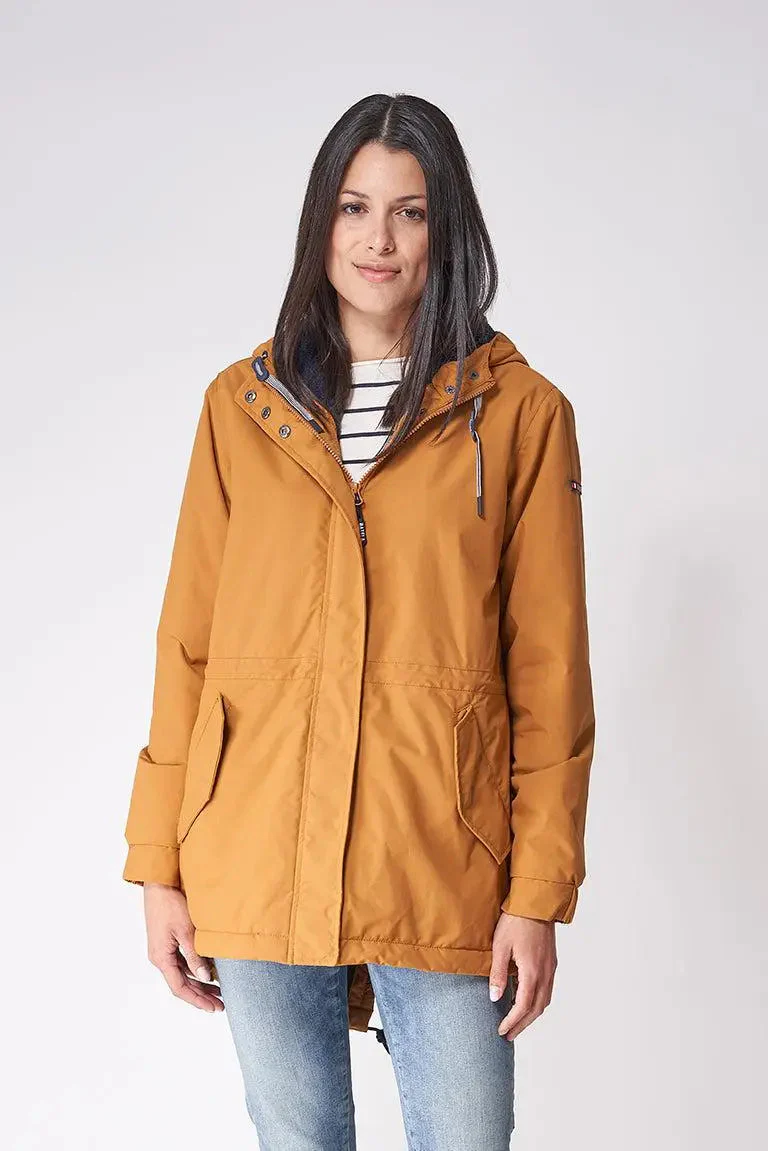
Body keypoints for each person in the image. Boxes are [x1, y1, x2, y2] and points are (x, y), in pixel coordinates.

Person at [122, 91, 595, 1150]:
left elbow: (551, 671)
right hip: (256, 846)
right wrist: (158, 861)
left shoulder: (521, 416)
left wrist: (537, 891)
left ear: (446, 230)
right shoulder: (240, 409)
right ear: (320, 223)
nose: (379, 239)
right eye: (354, 207)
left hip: (441, 855)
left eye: (410, 212)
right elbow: (189, 647)